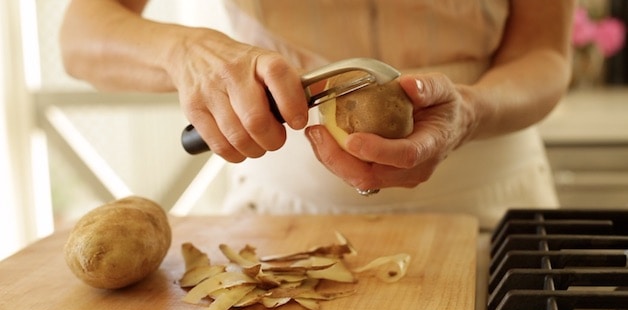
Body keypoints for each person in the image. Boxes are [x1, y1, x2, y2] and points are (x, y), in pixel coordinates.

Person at [59, 0, 575, 228]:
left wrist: (472, 113)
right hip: (281, 219)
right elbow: (82, 35)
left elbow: (544, 52)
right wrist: (183, 51)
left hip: (494, 209)